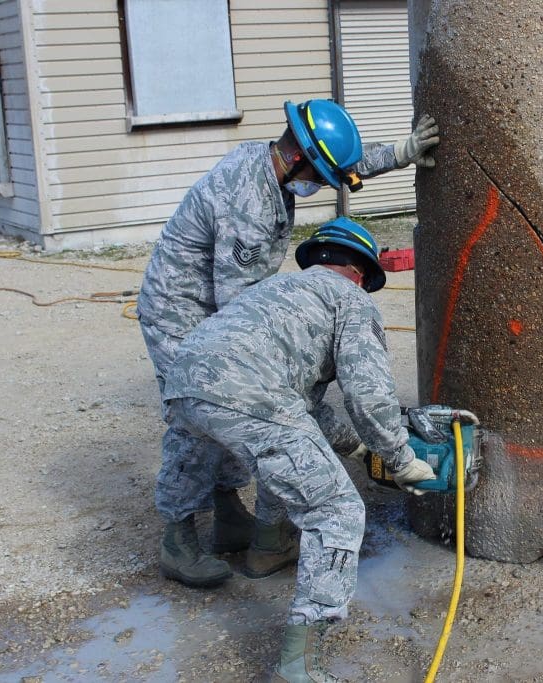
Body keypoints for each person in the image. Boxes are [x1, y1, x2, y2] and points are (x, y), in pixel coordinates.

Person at [136, 99, 440, 588]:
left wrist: (400, 153)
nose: (320, 186)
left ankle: (231, 513)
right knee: (204, 412)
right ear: (298, 158)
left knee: (238, 403)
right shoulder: (250, 204)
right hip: (185, 313)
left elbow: (339, 165)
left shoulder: (277, 161)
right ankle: (179, 538)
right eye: (317, 176)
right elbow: (239, 309)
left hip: (220, 308)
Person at [160, 219, 435, 681]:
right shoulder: (350, 301)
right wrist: (401, 459)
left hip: (186, 376)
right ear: (363, 274)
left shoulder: (275, 290)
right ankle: (299, 661)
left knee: (273, 447)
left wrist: (354, 450)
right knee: (336, 509)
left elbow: (306, 413)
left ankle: (228, 544)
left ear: (318, 259)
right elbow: (368, 395)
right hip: (253, 393)